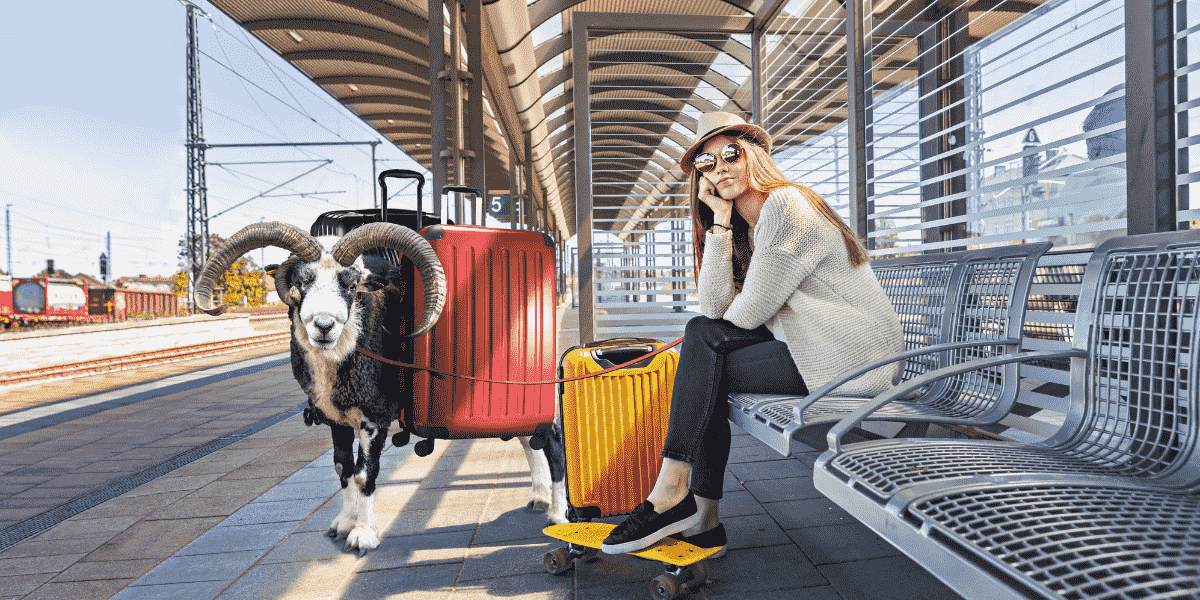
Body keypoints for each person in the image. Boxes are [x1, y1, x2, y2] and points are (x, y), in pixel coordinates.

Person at [600, 112, 905, 555]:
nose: (720, 167)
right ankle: (697, 516)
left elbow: (744, 315)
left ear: (754, 154)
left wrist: (731, 283)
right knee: (704, 348)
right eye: (707, 162)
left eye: (730, 153)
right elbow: (714, 308)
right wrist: (721, 220)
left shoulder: (786, 205)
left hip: (851, 359)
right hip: (814, 348)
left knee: (704, 358)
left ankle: (678, 498)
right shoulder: (749, 227)